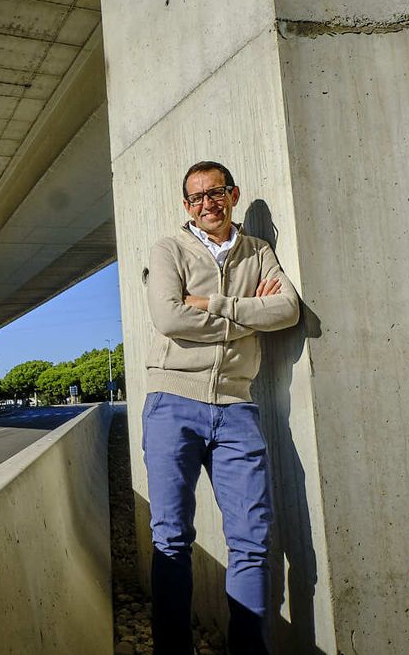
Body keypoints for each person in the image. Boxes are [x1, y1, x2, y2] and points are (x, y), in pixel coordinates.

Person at [144, 160, 301, 654]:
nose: (207, 204)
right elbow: (169, 318)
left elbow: (288, 309)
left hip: (237, 407)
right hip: (172, 403)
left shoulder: (259, 251)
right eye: (196, 198)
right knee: (171, 541)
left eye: (216, 193)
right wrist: (252, 316)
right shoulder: (169, 248)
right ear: (186, 206)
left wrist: (214, 305)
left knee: (253, 543)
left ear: (233, 195)